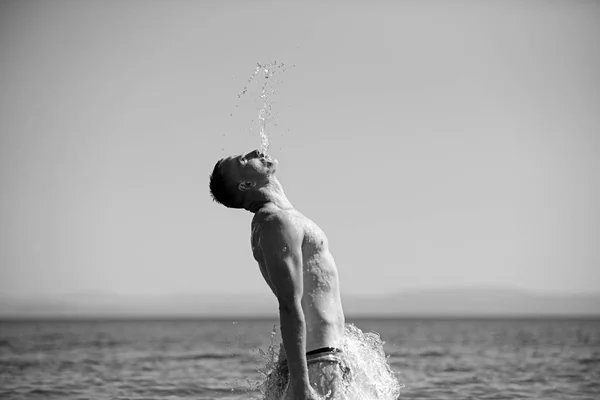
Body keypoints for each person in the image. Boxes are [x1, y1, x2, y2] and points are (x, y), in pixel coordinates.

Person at [209, 149, 350, 400]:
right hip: (315, 360)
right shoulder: (275, 222)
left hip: (317, 356)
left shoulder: (282, 217)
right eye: (243, 160)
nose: (254, 151)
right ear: (247, 184)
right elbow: (288, 304)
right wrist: (301, 384)